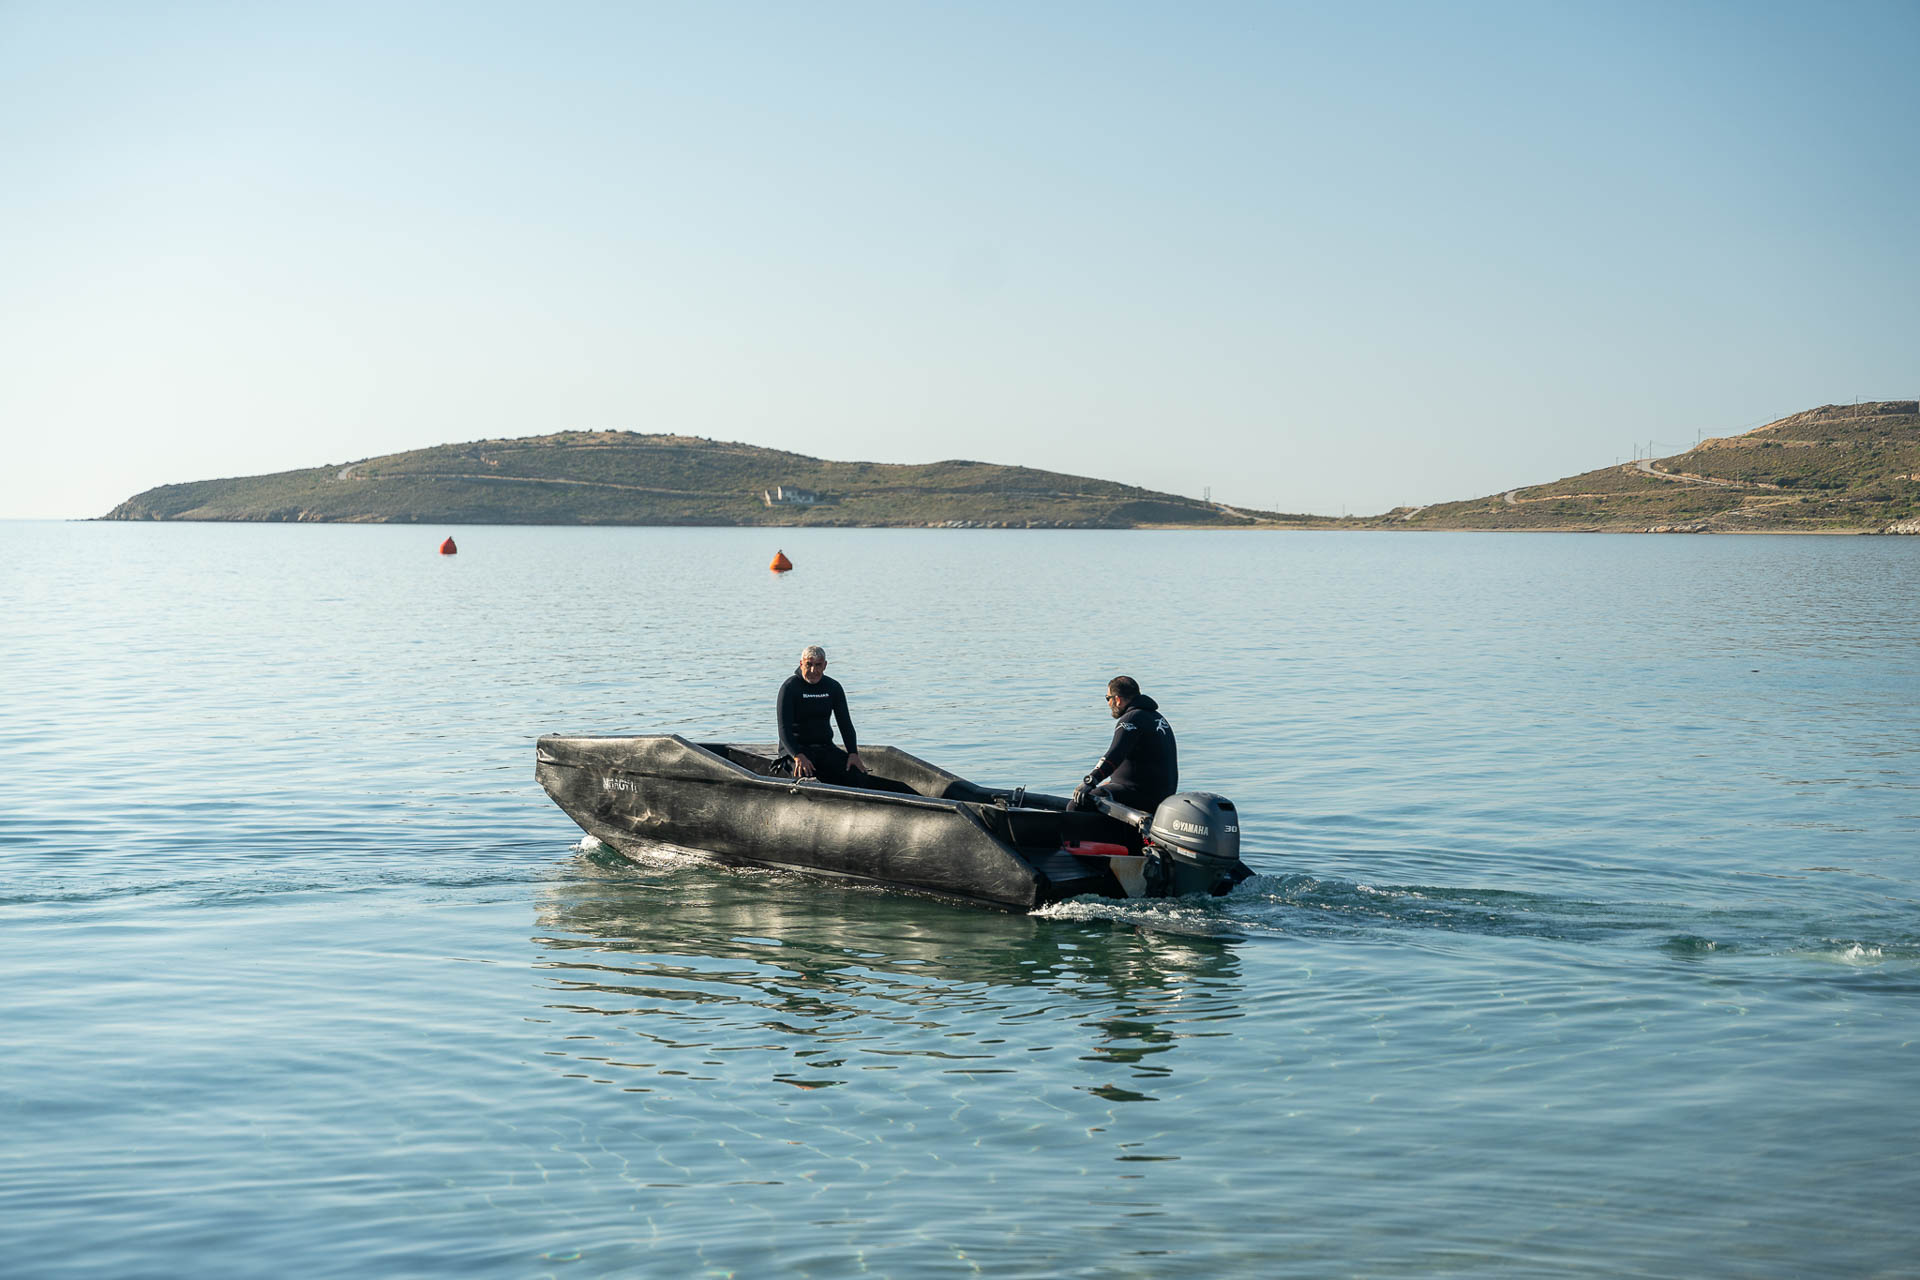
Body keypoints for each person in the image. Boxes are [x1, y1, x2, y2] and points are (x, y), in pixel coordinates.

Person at [775, 645, 914, 792]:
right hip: (795, 751)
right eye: (808, 664)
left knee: (857, 776)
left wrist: (853, 753)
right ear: (801, 663)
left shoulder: (832, 687)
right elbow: (783, 729)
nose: (813, 671)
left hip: (824, 747)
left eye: (818, 665)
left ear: (825, 665)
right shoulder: (789, 688)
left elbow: (845, 724)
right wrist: (797, 755)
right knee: (808, 778)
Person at [1071, 675, 1178, 813]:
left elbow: (1115, 754)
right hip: (1160, 796)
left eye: (1108, 698)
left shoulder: (1131, 719)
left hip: (1141, 796)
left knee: (1078, 804)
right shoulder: (1156, 717)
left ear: (1117, 699)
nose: (1108, 703)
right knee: (1102, 792)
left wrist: (1091, 781)